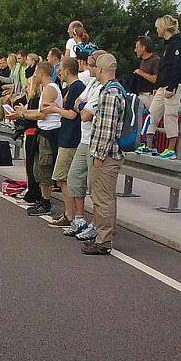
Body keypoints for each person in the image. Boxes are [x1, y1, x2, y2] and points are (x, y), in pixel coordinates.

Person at [82, 53, 125, 255]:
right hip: (114, 153)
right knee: (107, 197)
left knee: (102, 198)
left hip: (106, 155)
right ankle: (106, 235)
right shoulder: (119, 90)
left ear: (100, 70)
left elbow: (106, 131)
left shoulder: (109, 94)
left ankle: (103, 240)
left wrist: (98, 157)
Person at [9, 62, 62, 216]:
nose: (34, 77)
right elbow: (39, 111)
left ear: (41, 73)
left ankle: (46, 201)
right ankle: (42, 199)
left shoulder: (50, 89)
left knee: (44, 169)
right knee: (38, 168)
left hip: (49, 132)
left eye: (35, 73)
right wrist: (24, 112)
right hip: (43, 131)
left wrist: (23, 114)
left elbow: (42, 114)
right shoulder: (47, 89)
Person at [65, 50, 106, 240]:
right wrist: (83, 106)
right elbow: (76, 103)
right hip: (84, 139)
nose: (87, 68)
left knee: (95, 186)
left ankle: (96, 225)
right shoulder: (91, 83)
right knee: (74, 178)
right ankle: (79, 219)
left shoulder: (103, 88)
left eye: (91, 65)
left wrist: (82, 106)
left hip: (95, 141)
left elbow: (85, 114)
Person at [49, 57, 85, 227]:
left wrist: (54, 109)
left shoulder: (77, 87)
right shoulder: (71, 87)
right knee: (64, 178)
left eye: (60, 69)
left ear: (67, 70)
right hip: (67, 136)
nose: (58, 72)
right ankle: (70, 213)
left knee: (63, 177)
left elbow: (72, 114)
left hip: (71, 138)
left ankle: (70, 214)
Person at [149, 15, 181, 160]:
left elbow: (177, 67)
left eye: (158, 27)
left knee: (170, 115)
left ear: (164, 28)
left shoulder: (177, 44)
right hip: (162, 86)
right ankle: (148, 144)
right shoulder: (167, 44)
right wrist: (158, 86)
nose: (157, 30)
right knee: (152, 113)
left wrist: (171, 86)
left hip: (172, 87)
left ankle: (170, 149)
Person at [132, 36, 162, 154]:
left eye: (137, 47)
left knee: (146, 119)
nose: (135, 50)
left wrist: (140, 73)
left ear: (143, 48)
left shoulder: (155, 60)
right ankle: (141, 142)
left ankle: (146, 143)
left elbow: (156, 79)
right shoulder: (143, 61)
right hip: (142, 94)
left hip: (150, 96)